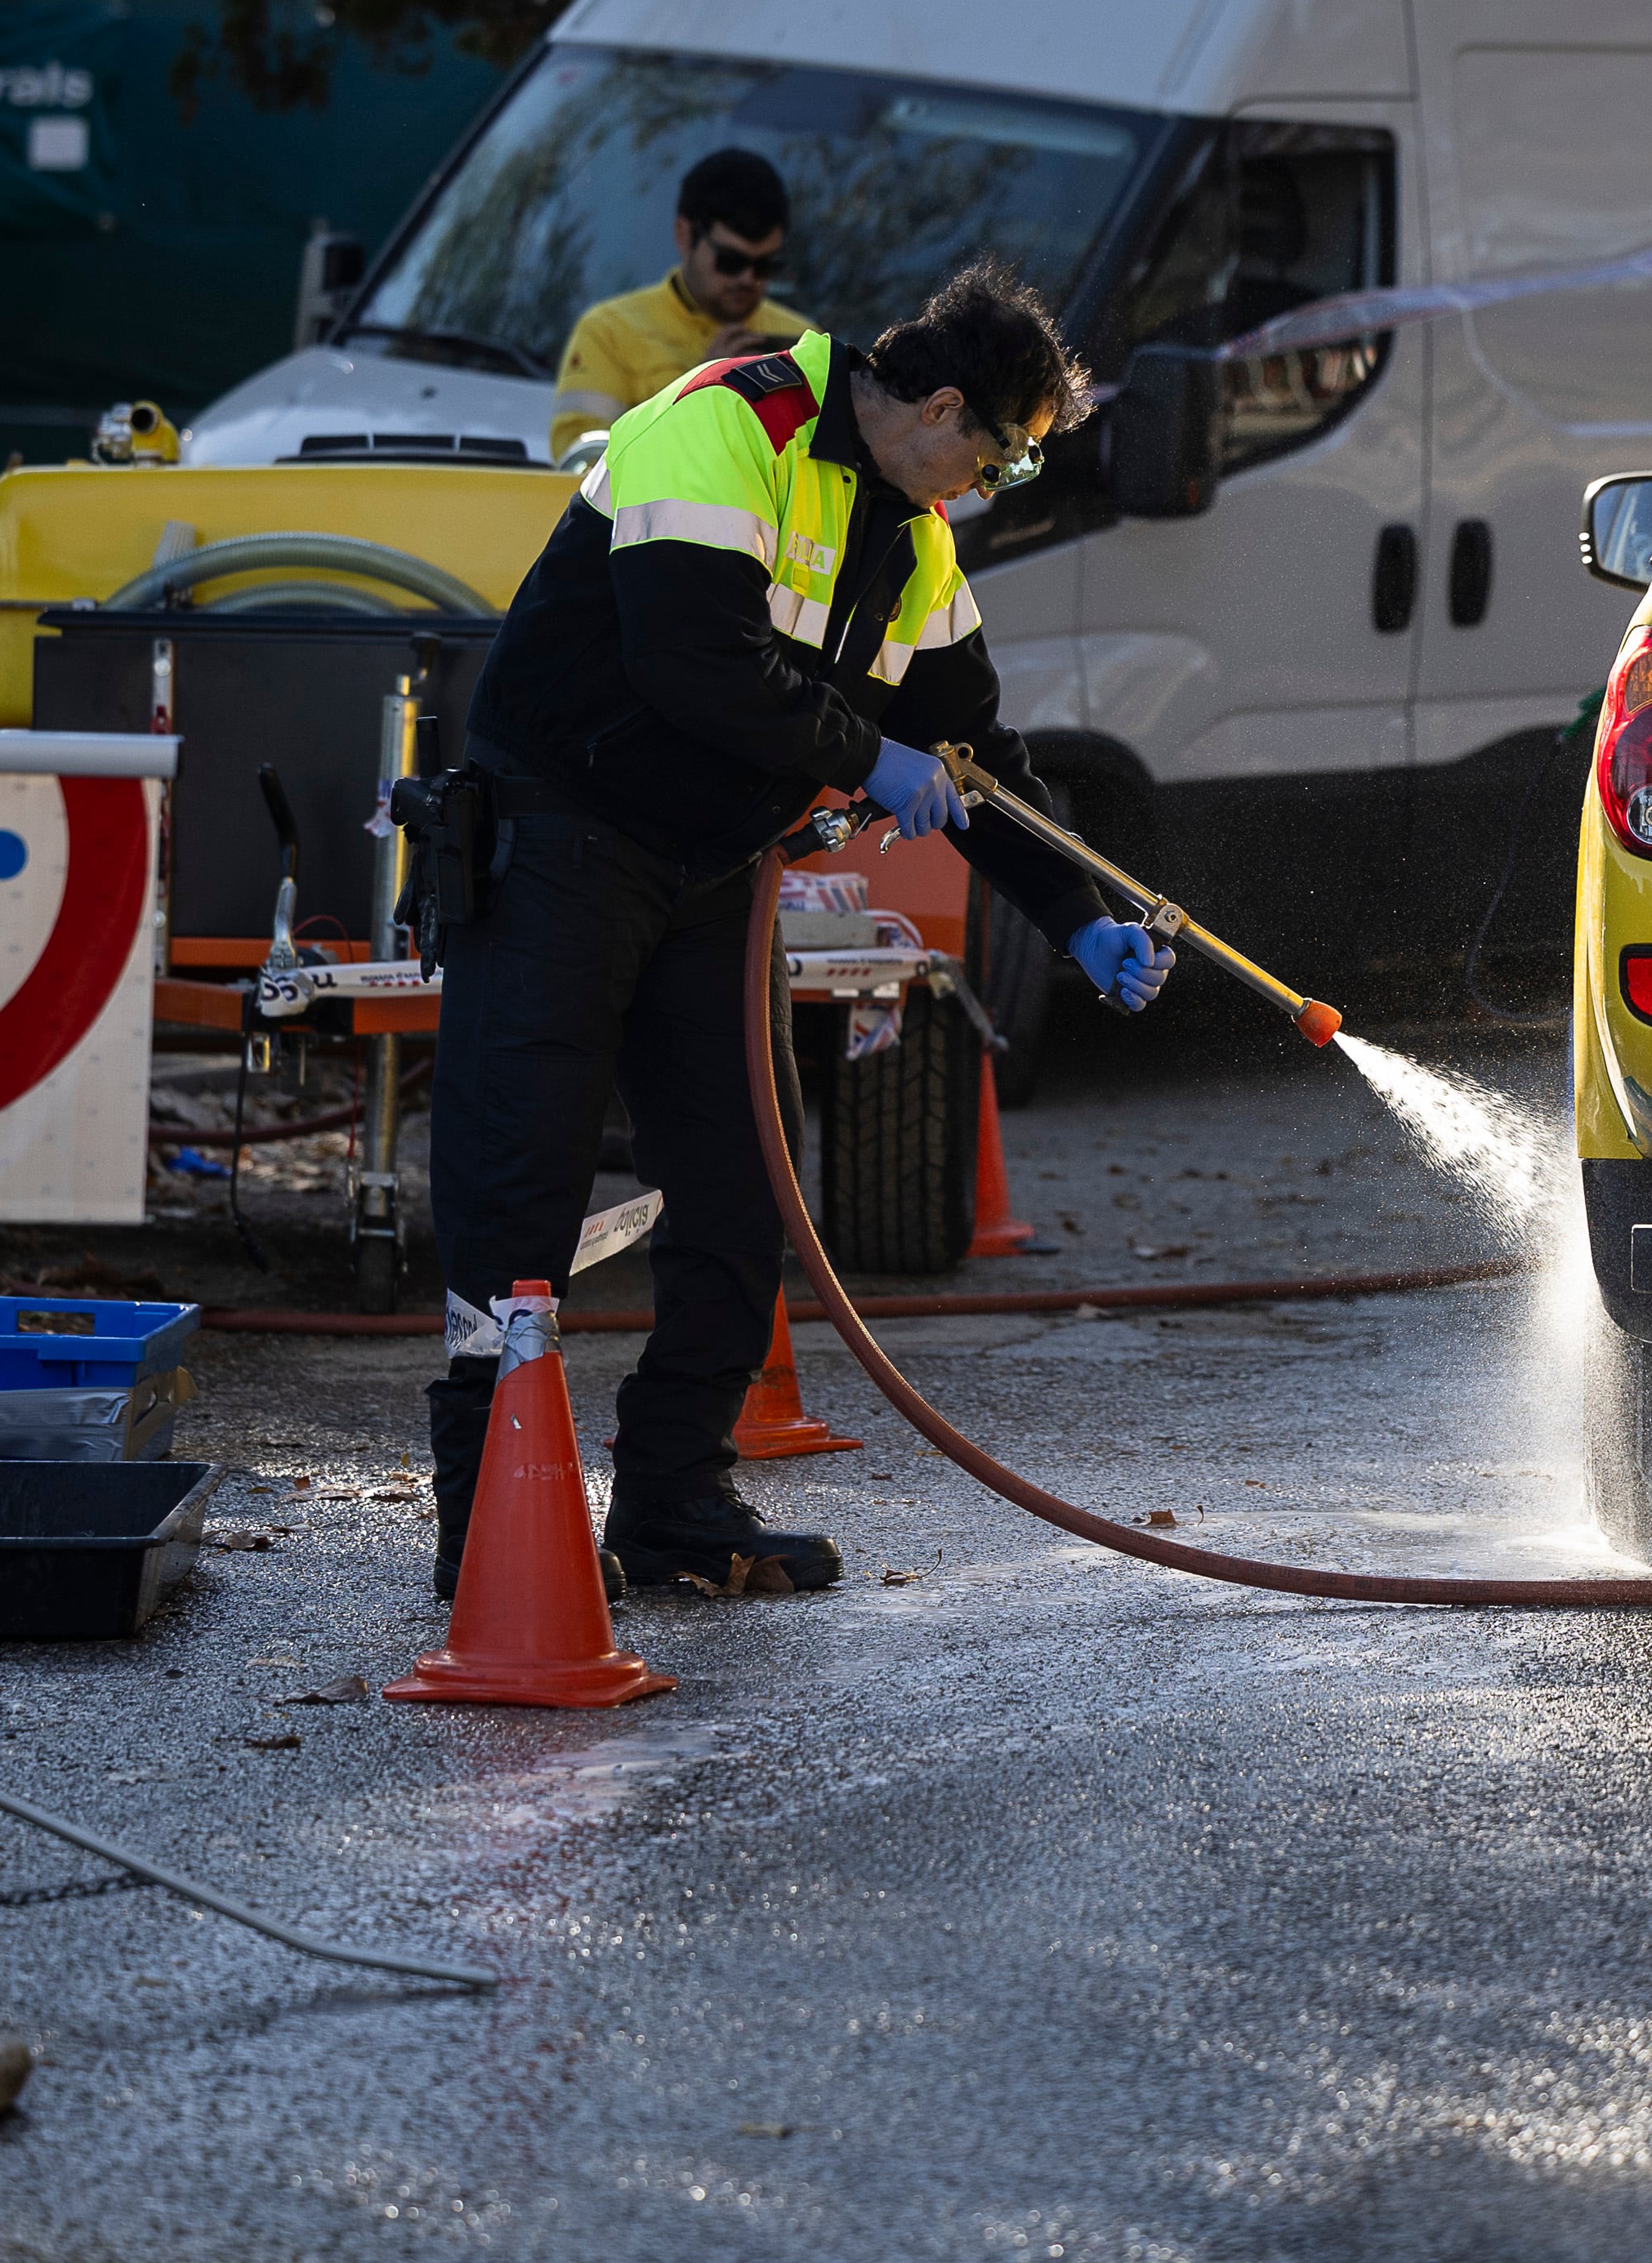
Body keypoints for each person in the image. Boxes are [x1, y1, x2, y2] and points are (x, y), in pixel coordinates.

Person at [435, 260, 1174, 1596]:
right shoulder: (730, 420)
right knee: (518, 1182)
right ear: (938, 406)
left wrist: (1076, 916)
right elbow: (687, 654)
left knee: (744, 1186)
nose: (990, 489)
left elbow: (973, 751)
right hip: (560, 833)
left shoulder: (915, 538)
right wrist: (867, 756)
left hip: (710, 865)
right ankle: (486, 1523)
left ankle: (672, 1496)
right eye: (1000, 459)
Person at [544, 148, 812, 465]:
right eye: (730, 261)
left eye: (765, 266)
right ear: (684, 235)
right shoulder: (609, 332)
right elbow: (581, 463)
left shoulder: (805, 341)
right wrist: (698, 392)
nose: (747, 278)